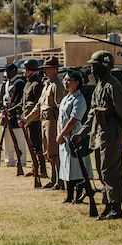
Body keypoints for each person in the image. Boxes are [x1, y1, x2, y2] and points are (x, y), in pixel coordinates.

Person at [87, 50, 122, 221]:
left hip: (111, 133)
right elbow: (92, 114)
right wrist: (81, 133)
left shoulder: (111, 85)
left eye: (95, 66)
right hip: (100, 133)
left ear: (104, 67)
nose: (91, 70)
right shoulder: (100, 86)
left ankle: (116, 208)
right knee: (102, 170)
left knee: (111, 169)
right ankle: (108, 205)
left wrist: (121, 124)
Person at [56, 67, 95, 210]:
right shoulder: (66, 98)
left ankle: (79, 194)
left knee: (77, 167)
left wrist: (62, 134)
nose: (66, 82)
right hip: (64, 137)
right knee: (66, 166)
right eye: (65, 80)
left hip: (74, 136)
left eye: (69, 80)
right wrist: (59, 133)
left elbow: (73, 120)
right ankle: (69, 194)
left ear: (77, 82)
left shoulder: (79, 99)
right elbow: (61, 118)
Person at [39, 56, 67, 190]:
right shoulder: (47, 85)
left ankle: (59, 180)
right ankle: (53, 178)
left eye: (48, 69)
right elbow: (39, 105)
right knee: (48, 152)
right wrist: (26, 118)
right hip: (44, 120)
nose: (45, 71)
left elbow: (61, 106)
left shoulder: (57, 85)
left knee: (54, 153)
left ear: (55, 70)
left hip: (53, 120)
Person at [19, 58, 47, 179]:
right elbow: (22, 102)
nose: (24, 72)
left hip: (34, 119)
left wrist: (29, 117)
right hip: (28, 118)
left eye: (25, 69)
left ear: (32, 71)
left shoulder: (37, 84)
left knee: (37, 145)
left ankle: (42, 169)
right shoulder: (28, 83)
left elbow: (37, 104)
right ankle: (34, 167)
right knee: (31, 144)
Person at [0, 62, 27, 169]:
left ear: (14, 71)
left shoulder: (19, 83)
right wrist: (2, 110)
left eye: (8, 71)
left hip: (15, 115)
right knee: (7, 139)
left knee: (19, 139)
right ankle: (9, 160)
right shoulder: (5, 84)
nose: (7, 73)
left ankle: (22, 160)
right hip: (5, 114)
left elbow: (18, 100)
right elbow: (0, 99)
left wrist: (10, 111)